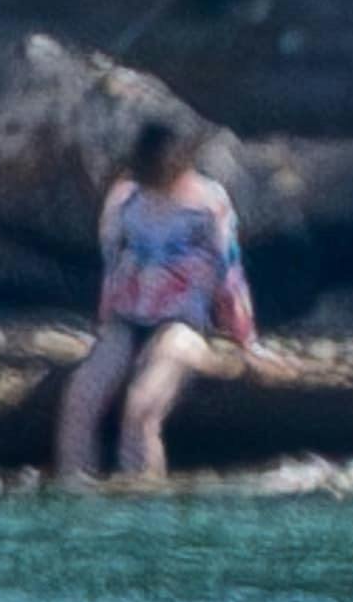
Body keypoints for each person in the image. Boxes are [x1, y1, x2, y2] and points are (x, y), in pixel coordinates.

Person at [55, 119, 258, 483]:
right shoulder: (124, 201)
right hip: (126, 321)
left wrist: (245, 340)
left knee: (141, 407)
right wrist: (104, 327)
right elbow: (113, 266)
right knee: (81, 399)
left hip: (184, 324)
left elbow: (228, 275)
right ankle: (74, 494)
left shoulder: (208, 205)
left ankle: (145, 505)